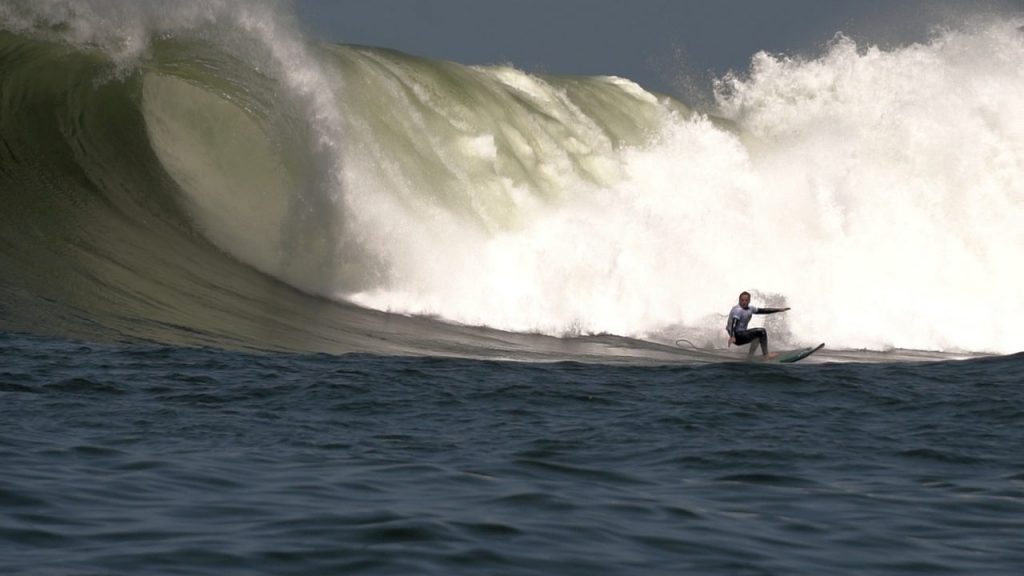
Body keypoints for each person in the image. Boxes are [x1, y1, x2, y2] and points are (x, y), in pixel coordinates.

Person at [726, 291, 790, 358]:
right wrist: (732, 336)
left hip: (740, 335)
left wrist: (779, 310)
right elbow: (734, 323)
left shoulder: (750, 308)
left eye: (746, 300)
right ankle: (766, 355)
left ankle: (750, 355)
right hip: (736, 336)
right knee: (761, 331)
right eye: (742, 300)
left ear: (749, 301)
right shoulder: (738, 310)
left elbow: (763, 311)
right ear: (739, 300)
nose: (744, 302)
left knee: (757, 337)